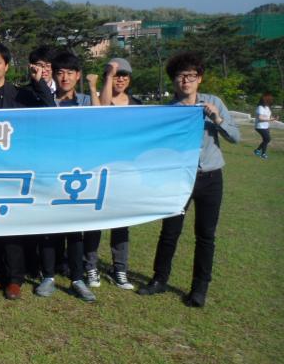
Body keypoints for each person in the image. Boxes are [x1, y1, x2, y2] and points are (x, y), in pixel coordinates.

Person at [138, 51, 240, 308]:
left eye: (191, 76)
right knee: (170, 231)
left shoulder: (213, 102)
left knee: (205, 235)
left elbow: (235, 138)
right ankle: (159, 279)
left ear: (200, 79)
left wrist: (217, 118)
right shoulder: (169, 111)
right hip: (178, 178)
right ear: (173, 80)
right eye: (180, 76)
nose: (186, 81)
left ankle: (199, 288)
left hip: (211, 177)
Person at [0, 42, 54, 300]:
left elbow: (50, 111)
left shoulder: (21, 94)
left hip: (14, 171)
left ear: (6, 66)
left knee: (11, 227)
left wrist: (38, 82)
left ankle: (15, 279)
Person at [33, 51, 96, 302]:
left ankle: (77, 278)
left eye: (70, 73)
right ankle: (48, 275)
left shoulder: (85, 102)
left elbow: (102, 121)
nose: (65, 77)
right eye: (60, 72)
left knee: (75, 229)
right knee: (49, 228)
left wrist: (94, 88)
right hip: (50, 173)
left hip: (79, 174)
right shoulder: (45, 101)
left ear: (77, 75)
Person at [82, 57, 142, 291]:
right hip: (100, 170)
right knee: (95, 221)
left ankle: (120, 269)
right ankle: (91, 266)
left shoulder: (137, 105)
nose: (120, 79)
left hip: (125, 173)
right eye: (116, 75)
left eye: (124, 75)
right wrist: (106, 77)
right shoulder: (99, 101)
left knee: (121, 223)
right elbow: (103, 112)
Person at [254, 92, 276, 159]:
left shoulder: (267, 107)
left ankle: (257, 150)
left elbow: (268, 116)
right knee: (267, 139)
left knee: (266, 140)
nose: (271, 100)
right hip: (260, 126)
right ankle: (263, 154)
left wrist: (273, 118)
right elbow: (260, 118)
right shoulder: (260, 107)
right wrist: (270, 119)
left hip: (266, 126)